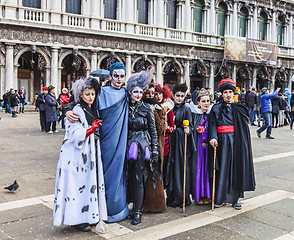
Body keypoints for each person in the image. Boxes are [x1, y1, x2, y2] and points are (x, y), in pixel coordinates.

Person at [66, 62, 129, 222]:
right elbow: (83, 101)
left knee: (118, 172)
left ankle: (116, 209)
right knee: (100, 174)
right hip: (102, 141)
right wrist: (67, 110)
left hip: (120, 141)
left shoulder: (127, 93)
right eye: (116, 75)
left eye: (122, 76)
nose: (119, 79)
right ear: (111, 75)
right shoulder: (101, 92)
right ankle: (99, 210)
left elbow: (144, 99)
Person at [53, 77, 108, 232]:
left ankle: (88, 216)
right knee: (77, 187)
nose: (90, 96)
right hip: (77, 156)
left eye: (92, 93)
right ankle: (77, 219)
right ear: (81, 95)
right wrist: (90, 129)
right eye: (87, 93)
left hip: (89, 153)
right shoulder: (77, 110)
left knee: (87, 185)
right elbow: (74, 134)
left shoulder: (93, 108)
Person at [209, 78, 255, 210]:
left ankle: (235, 199)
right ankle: (220, 197)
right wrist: (213, 137)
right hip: (221, 142)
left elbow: (243, 128)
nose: (228, 95)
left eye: (230, 92)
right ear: (221, 94)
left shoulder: (240, 108)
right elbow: (213, 124)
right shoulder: (216, 108)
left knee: (236, 168)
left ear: (233, 93)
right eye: (225, 92)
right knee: (222, 169)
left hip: (236, 142)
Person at [125, 69, 159, 225]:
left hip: (141, 145)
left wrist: (154, 149)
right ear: (130, 91)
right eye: (135, 92)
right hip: (125, 145)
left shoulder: (146, 109)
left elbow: (153, 131)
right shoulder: (124, 106)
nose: (138, 95)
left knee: (138, 178)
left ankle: (137, 210)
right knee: (127, 177)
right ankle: (127, 207)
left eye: (140, 92)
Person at [166, 82, 193, 208]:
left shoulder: (186, 109)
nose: (180, 98)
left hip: (181, 143)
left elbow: (190, 126)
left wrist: (188, 129)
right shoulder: (169, 107)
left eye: (182, 96)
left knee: (180, 168)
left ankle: (182, 197)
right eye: (178, 96)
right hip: (171, 141)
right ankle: (171, 196)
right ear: (173, 95)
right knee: (171, 168)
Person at [141, 83, 167, 213]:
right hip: (142, 144)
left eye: (153, 93)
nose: (151, 96)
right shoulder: (139, 107)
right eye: (148, 93)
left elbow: (162, 128)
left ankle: (156, 205)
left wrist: (154, 113)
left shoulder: (160, 108)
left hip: (156, 145)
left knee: (154, 175)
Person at [189, 88, 212, 205]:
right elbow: (191, 128)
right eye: (203, 101)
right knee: (198, 171)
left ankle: (208, 195)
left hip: (209, 148)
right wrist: (196, 130)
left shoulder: (212, 114)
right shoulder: (194, 114)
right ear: (198, 102)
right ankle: (198, 196)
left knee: (208, 171)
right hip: (198, 147)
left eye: (208, 101)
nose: (206, 103)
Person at [154, 83, 175, 187]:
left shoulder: (168, 108)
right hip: (152, 140)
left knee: (163, 165)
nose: (158, 97)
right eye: (156, 94)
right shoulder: (151, 107)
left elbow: (172, 127)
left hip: (164, 142)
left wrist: (165, 128)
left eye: (160, 94)